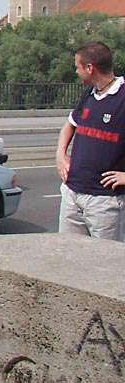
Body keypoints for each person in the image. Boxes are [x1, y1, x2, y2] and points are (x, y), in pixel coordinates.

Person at [57, 41, 125, 240]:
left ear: (90, 68)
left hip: (104, 202)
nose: (76, 71)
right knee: (68, 252)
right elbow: (69, 125)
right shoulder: (91, 93)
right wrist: (60, 155)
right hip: (72, 193)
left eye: (77, 67)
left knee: (104, 258)